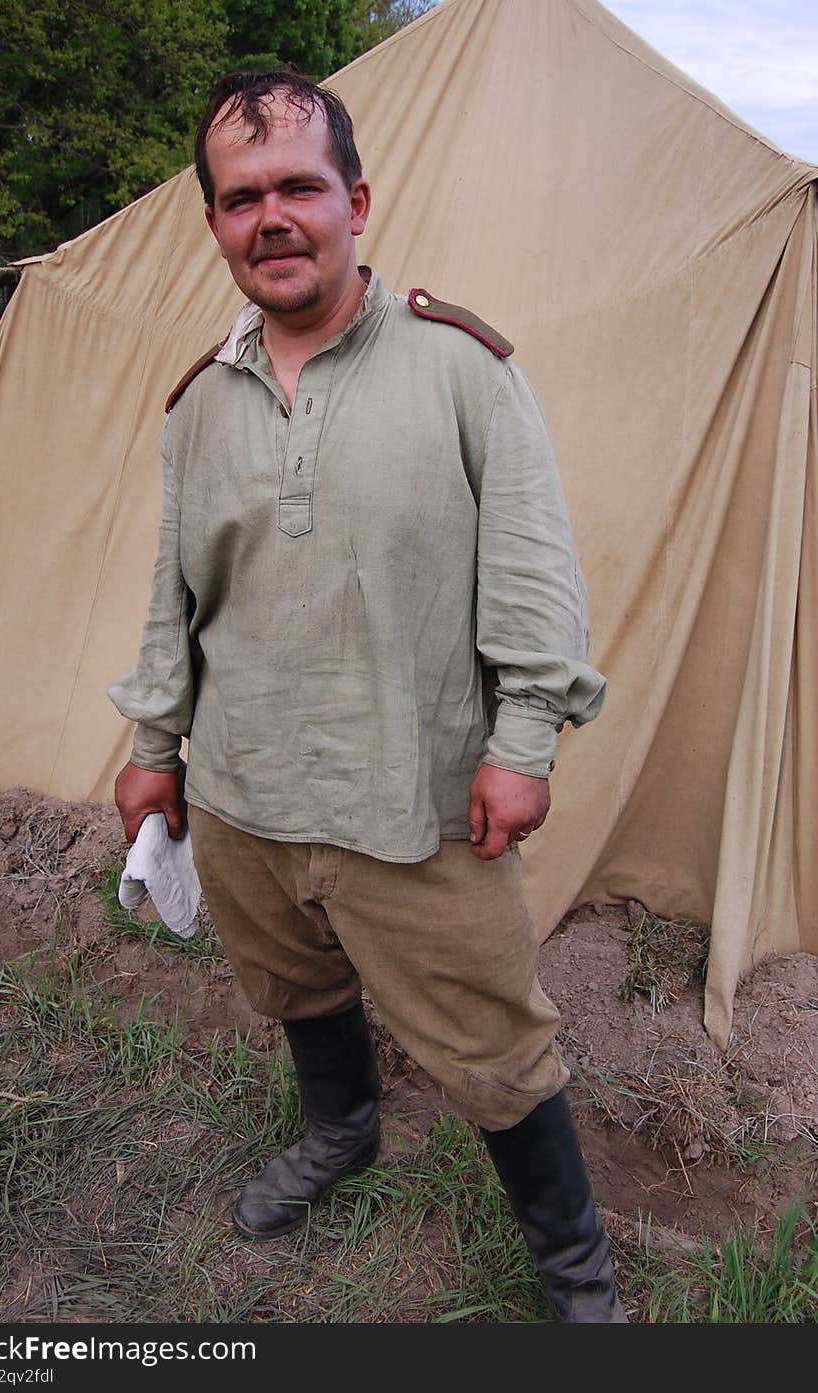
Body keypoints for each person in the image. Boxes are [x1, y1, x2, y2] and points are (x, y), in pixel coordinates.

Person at [110, 70, 626, 1323]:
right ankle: (342, 1132)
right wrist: (153, 739)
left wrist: (522, 744)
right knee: (293, 984)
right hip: (242, 792)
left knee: (496, 1041)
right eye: (242, 199)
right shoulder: (198, 404)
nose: (271, 217)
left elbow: (529, 572)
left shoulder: (463, 368)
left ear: (357, 201)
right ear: (217, 223)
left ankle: (574, 1271)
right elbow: (175, 590)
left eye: (298, 187)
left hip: (418, 791)